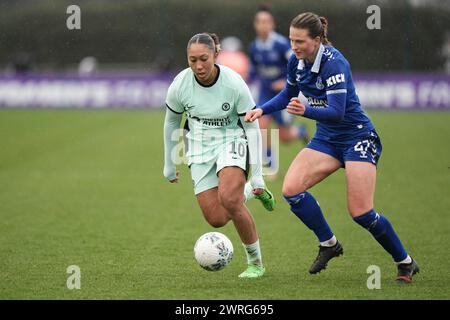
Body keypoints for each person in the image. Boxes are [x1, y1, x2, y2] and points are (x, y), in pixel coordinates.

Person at [245, 12, 419, 283]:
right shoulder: (297, 61)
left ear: (317, 40)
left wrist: (304, 111)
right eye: (291, 40)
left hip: (358, 137)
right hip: (327, 138)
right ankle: (329, 244)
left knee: (361, 213)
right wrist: (261, 109)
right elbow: (288, 94)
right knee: (291, 190)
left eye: (300, 41)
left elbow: (337, 112)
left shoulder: (335, 63)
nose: (294, 46)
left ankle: (404, 262)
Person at [163, 32, 276, 278]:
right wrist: (169, 164)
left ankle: (255, 263)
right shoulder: (180, 84)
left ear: (215, 54)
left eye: (203, 58)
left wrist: (257, 175)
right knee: (216, 218)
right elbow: (172, 122)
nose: (198, 66)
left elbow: (252, 127)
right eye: (192, 60)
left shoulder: (233, 84)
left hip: (232, 141)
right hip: (198, 148)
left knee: (230, 200)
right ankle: (248, 193)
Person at [249, 6, 309, 177]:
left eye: (266, 22)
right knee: (262, 124)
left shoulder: (282, 44)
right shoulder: (254, 46)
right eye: (260, 22)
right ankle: (270, 165)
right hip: (265, 92)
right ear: (255, 25)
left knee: (285, 137)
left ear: (272, 24)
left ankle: (301, 132)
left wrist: (285, 81)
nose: (263, 25)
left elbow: (300, 63)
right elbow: (254, 71)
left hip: (284, 93)